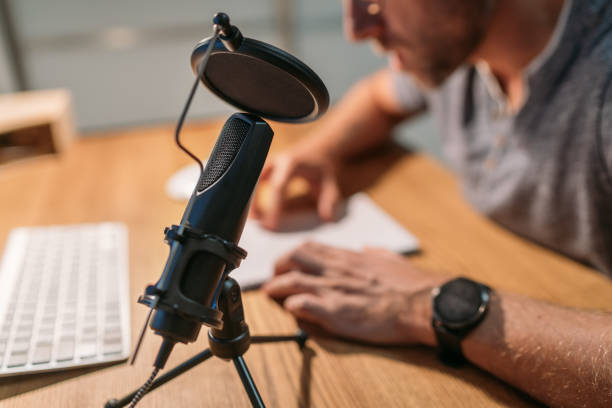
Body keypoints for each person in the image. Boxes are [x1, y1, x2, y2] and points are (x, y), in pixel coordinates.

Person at [250, 0, 612, 407]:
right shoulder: (458, 48)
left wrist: (436, 305)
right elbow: (380, 96)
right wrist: (322, 151)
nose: (357, 28)